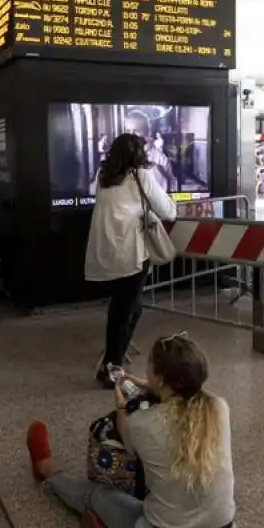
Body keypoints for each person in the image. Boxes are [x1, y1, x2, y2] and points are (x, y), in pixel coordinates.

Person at [26, 333, 242, 528]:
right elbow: (182, 399)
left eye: (149, 366)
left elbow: (128, 442)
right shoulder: (219, 407)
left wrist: (120, 407)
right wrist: (153, 387)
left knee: (100, 494)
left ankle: (47, 469)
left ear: (160, 377)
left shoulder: (143, 424)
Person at [85, 133, 176, 387]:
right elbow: (169, 211)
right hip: (131, 252)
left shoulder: (104, 178)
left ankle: (114, 359)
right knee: (125, 310)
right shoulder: (140, 176)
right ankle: (111, 367)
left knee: (127, 306)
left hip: (105, 250)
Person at [124, 110, 177, 192]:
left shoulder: (160, 159)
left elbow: (171, 188)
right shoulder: (118, 157)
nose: (131, 135)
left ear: (147, 132)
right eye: (128, 131)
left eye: (137, 131)